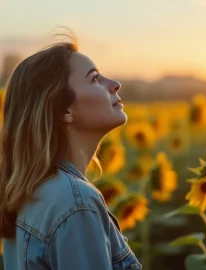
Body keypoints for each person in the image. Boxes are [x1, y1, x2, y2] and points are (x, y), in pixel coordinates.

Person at [0, 28, 143, 269]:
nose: (115, 84)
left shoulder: (31, 193)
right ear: (64, 110)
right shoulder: (76, 203)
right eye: (95, 78)